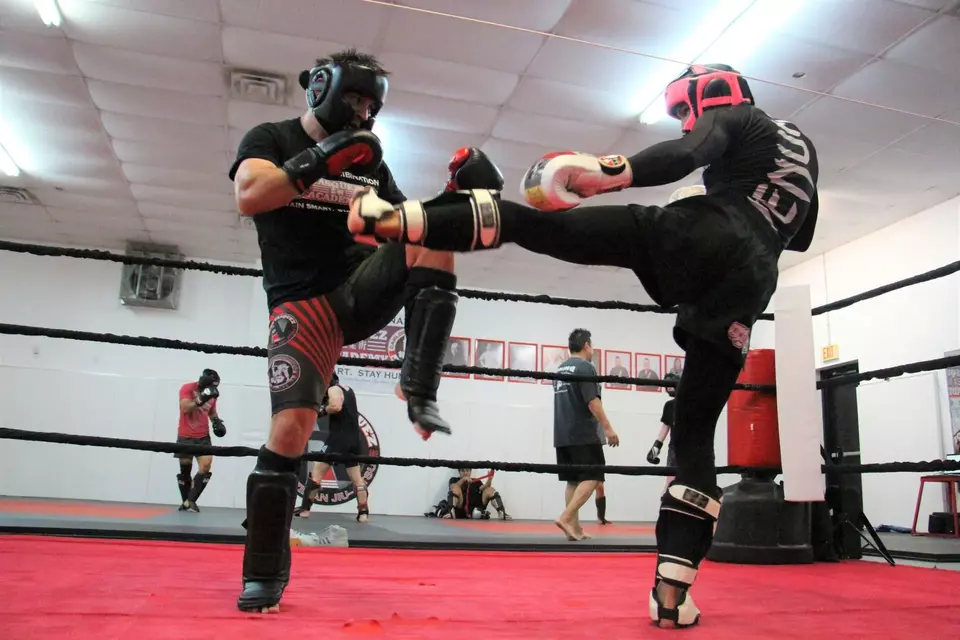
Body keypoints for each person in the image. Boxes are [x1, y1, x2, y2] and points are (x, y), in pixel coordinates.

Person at [348, 63, 819, 628]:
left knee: (547, 232)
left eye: (685, 108)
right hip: (752, 283)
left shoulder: (736, 114)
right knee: (695, 431)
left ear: (711, 92)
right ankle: (673, 591)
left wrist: (607, 171)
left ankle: (405, 219)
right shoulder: (802, 146)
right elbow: (804, 231)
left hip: (714, 231)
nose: (688, 116)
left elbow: (692, 150)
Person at [227, 47, 501, 613]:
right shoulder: (270, 138)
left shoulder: (372, 162)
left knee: (434, 233)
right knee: (291, 431)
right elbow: (250, 195)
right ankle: (264, 572)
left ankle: (417, 382)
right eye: (353, 99)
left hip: (359, 290)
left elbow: (404, 225)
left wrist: (454, 202)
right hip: (302, 306)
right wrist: (319, 161)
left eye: (371, 105)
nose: (362, 115)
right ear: (321, 88)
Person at [550, 329, 620, 541]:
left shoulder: (560, 369)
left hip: (562, 434)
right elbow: (592, 401)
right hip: (583, 434)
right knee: (593, 476)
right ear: (587, 346)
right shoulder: (586, 367)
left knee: (573, 481)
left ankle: (575, 529)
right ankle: (565, 517)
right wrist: (608, 428)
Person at [295, 373, 370, 522]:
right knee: (357, 480)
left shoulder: (334, 389)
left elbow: (336, 406)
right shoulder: (348, 389)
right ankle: (363, 514)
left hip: (338, 439)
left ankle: (304, 510)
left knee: (316, 472)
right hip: (355, 440)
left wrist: (322, 411)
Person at [176, 368, 226, 512]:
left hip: (203, 436)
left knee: (205, 465)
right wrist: (200, 399)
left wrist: (217, 422)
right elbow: (185, 408)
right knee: (185, 470)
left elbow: (211, 411)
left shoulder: (213, 394)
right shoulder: (188, 388)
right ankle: (186, 502)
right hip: (185, 435)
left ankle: (191, 500)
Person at [647, 372, 680, 491]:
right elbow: (666, 427)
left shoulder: (691, 404)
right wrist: (654, 450)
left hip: (691, 449)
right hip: (675, 449)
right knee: (671, 484)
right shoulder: (670, 406)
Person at [441, 469, 511, 520]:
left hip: (475, 508)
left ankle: (502, 513)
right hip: (460, 507)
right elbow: (452, 487)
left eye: (467, 470)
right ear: (459, 472)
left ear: (470, 471)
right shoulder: (454, 480)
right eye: (463, 471)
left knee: (490, 489)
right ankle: (450, 512)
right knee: (454, 487)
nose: (465, 473)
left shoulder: (476, 481)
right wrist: (463, 480)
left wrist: (490, 479)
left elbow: (484, 488)